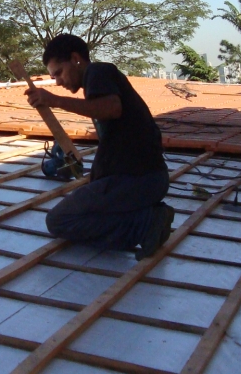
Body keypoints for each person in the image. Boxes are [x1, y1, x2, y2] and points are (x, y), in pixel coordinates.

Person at [24, 33, 174, 260]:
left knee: (59, 220)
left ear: (75, 59)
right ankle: (145, 217)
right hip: (145, 181)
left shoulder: (98, 72)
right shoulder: (96, 86)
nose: (58, 82)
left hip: (138, 181)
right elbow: (114, 141)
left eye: (59, 73)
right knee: (82, 208)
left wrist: (54, 100)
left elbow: (112, 108)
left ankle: (145, 224)